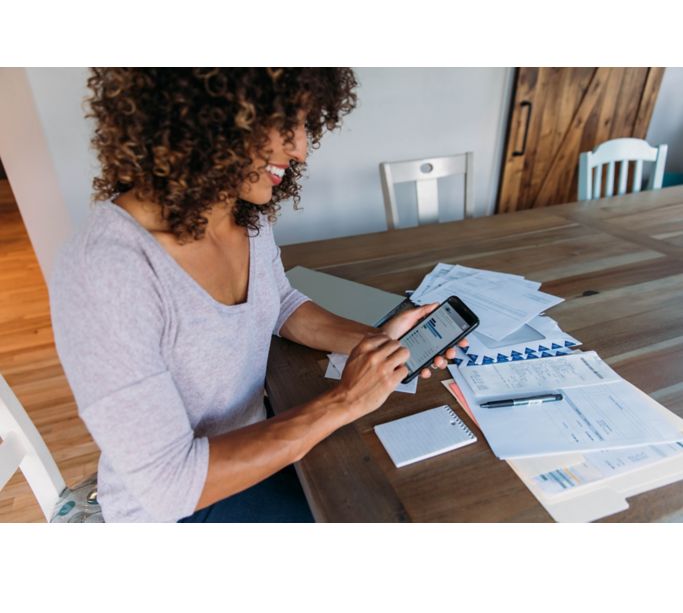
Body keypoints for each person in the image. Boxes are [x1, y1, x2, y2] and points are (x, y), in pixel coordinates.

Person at [49, 68, 463, 523]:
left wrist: (377, 341)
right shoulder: (105, 271)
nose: (301, 148)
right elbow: (171, 485)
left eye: (305, 124)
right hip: (180, 509)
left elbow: (280, 304)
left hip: (261, 444)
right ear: (204, 112)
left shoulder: (242, 213)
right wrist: (345, 400)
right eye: (284, 121)